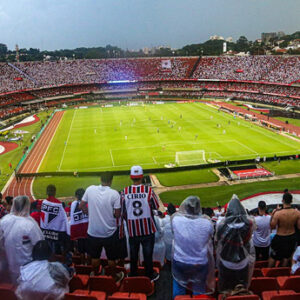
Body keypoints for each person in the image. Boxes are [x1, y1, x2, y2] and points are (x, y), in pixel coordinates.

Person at [79, 172, 124, 282]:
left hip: (93, 231)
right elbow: (117, 214)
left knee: (95, 257)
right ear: (111, 180)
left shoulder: (90, 189)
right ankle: (114, 277)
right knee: (111, 258)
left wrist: (88, 212)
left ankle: (95, 276)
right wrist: (110, 214)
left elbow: (81, 205)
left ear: (100, 179)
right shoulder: (114, 194)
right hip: (109, 232)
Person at [120, 165, 160, 282]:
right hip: (147, 229)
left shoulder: (125, 192)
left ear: (131, 177)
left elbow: (123, 210)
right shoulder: (148, 190)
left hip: (133, 229)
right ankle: (149, 275)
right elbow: (156, 206)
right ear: (142, 177)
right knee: (148, 255)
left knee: (133, 255)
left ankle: (133, 274)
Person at [172, 196, 215, 298]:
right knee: (199, 289)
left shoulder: (176, 220)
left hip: (180, 261)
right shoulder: (207, 223)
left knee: (178, 288)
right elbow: (210, 237)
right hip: (199, 263)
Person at [0, 196, 44, 283]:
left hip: (8, 269)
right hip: (27, 270)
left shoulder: (4, 221)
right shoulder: (30, 224)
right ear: (27, 206)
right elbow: (40, 245)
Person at [216, 195, 255, 293]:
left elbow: (218, 240)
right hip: (242, 261)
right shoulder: (249, 224)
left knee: (226, 289)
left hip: (226, 261)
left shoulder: (221, 224)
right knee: (241, 289)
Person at [268, 192, 300, 267]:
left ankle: (268, 272)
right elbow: (299, 227)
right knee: (286, 256)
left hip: (280, 237)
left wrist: (272, 215)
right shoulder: (297, 213)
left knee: (273, 257)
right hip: (291, 237)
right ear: (291, 201)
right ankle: (283, 272)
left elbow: (272, 226)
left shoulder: (278, 213)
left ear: (282, 201)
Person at [40, 185, 69, 255]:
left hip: (45, 232)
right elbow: (63, 218)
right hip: (56, 234)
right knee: (56, 252)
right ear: (55, 192)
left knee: (47, 252)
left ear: (47, 192)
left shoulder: (44, 202)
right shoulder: (58, 204)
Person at [70, 188, 89, 264]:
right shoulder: (88, 203)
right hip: (88, 229)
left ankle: (83, 265)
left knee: (81, 250)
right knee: (89, 250)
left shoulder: (73, 204)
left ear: (77, 196)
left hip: (79, 230)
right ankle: (89, 265)